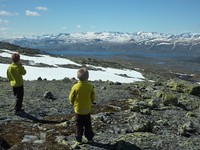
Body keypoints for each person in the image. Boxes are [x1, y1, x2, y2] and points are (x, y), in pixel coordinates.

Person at [69, 68, 95, 145]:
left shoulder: (75, 87)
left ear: (77, 77)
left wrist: (72, 103)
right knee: (88, 124)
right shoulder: (90, 86)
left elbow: (71, 97)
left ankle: (79, 139)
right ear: (88, 77)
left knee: (79, 125)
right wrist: (91, 102)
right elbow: (93, 97)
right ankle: (90, 138)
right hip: (87, 109)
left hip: (78, 110)